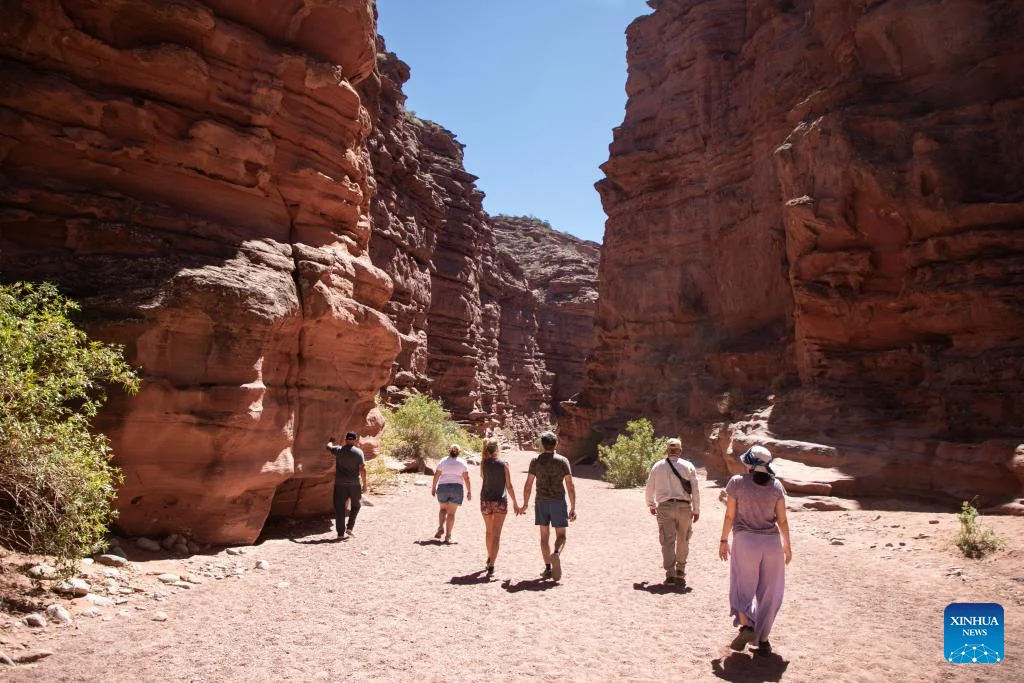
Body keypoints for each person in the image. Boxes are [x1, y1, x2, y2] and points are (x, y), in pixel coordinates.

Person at [718, 445, 793, 657]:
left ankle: (747, 627)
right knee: (770, 592)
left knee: (742, 586)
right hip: (772, 545)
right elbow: (783, 520)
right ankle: (764, 640)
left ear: (749, 463)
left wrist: (724, 539)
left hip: (745, 542)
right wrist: (787, 545)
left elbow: (730, 516)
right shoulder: (776, 486)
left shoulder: (737, 483)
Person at [644, 437, 701, 585]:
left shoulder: (658, 466)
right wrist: (696, 509)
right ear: (680, 451)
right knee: (684, 539)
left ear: (667, 450)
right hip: (684, 507)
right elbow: (695, 489)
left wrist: (651, 504)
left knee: (667, 541)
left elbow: (649, 487)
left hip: (664, 507)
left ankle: (670, 574)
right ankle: (680, 570)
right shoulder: (688, 466)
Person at [521, 431, 576, 581]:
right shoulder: (563, 461)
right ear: (556, 444)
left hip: (541, 502)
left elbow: (528, 484)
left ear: (542, 444)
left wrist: (525, 504)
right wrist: (573, 507)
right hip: (558, 501)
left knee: (544, 537)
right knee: (561, 535)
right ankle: (556, 553)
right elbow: (570, 486)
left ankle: (547, 568)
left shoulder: (535, 461)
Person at [479, 437, 520, 577]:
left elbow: (483, 478)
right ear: (497, 449)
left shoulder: (483, 463)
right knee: (496, 534)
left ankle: (490, 557)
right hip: (500, 502)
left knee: (488, 531)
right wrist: (515, 502)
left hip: (485, 501)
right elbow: (509, 486)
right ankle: (491, 565)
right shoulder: (504, 464)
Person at [326, 432, 367, 540]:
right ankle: (350, 527)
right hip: (354, 484)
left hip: (340, 484)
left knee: (339, 508)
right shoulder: (359, 452)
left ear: (345, 439)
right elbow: (362, 469)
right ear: (355, 440)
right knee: (356, 506)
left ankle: (340, 534)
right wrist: (365, 484)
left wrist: (331, 440)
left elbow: (328, 447)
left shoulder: (338, 450)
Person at [431, 444, 472, 543]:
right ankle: (448, 536)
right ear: (459, 452)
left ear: (449, 451)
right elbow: (466, 478)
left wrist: (433, 487)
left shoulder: (443, 460)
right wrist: (469, 491)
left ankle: (441, 527)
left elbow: (437, 474)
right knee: (451, 513)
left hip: (443, 487)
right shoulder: (462, 462)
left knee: (443, 509)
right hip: (456, 488)